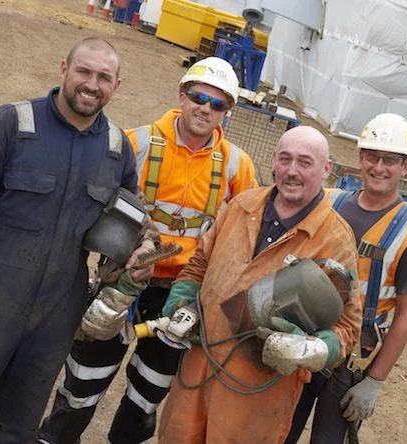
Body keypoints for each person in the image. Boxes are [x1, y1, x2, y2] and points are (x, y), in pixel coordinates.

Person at [0, 38, 150, 443]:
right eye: (84, 71)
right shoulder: (8, 127)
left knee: (13, 430)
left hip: (54, 318)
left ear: (116, 86)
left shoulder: (117, 149)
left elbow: (124, 227)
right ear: (63, 69)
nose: (92, 84)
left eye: (104, 77)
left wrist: (129, 269)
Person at [37, 56, 257, 444]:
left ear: (228, 110)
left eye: (217, 103)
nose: (205, 108)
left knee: (147, 395)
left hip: (183, 295)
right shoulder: (134, 143)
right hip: (123, 279)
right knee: (83, 383)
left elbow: (245, 234)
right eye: (198, 96)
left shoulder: (238, 166)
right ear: (182, 95)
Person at [155, 126, 362, 443]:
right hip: (197, 368)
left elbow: (346, 328)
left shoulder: (334, 240)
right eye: (285, 159)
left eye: (305, 162)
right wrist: (180, 304)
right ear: (274, 162)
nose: (292, 171)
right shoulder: (241, 206)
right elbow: (200, 264)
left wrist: (312, 349)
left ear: (326, 170)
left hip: (257, 393)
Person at [286, 113, 407, 443]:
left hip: (350, 363)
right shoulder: (327, 201)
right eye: (372, 156)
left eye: (391, 160)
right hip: (305, 341)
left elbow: (406, 314)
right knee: (279, 431)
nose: (379, 167)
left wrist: (376, 381)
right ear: (360, 157)